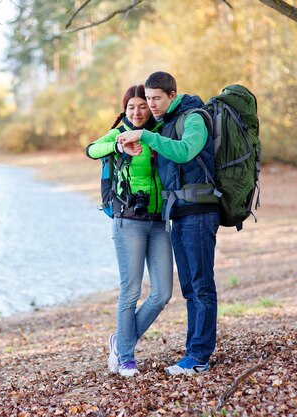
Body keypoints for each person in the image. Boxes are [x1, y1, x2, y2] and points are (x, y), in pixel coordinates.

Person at [117, 71, 219, 375]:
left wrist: (147, 136)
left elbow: (186, 151)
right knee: (189, 288)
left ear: (172, 95)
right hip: (178, 214)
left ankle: (199, 356)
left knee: (201, 286)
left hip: (200, 211)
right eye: (148, 99)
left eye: (157, 98)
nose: (152, 104)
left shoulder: (194, 118)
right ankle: (192, 353)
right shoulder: (164, 124)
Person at [86, 84, 173, 377]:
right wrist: (116, 146)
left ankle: (120, 341)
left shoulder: (159, 132)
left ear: (151, 107)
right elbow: (91, 149)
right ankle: (125, 357)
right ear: (125, 109)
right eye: (131, 106)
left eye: (142, 106)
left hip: (160, 221)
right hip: (128, 222)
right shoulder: (119, 132)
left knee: (162, 293)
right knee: (131, 290)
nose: (136, 112)